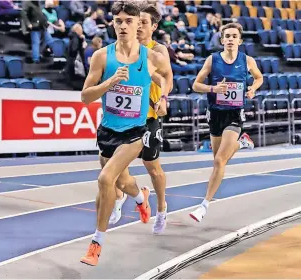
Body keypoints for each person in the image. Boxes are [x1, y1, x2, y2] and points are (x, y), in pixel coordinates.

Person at [80, 1, 172, 266]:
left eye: (128, 21)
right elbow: (85, 97)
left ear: (138, 24)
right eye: (118, 21)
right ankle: (141, 197)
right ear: (112, 23)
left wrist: (163, 97)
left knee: (105, 179)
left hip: (135, 131)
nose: (123, 26)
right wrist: (110, 83)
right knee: (121, 182)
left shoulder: (151, 56)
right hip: (108, 130)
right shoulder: (101, 57)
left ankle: (96, 243)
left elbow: (166, 75)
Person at [108, 3, 173, 235]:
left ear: (154, 27)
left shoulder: (158, 51)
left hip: (149, 117)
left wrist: (163, 99)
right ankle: (122, 196)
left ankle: (162, 209)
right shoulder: (126, 48)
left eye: (144, 23)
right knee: (110, 165)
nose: (138, 27)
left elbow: (166, 78)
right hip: (124, 118)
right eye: (138, 22)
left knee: (152, 168)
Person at [189, 23, 263, 222]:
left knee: (219, 161)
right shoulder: (212, 60)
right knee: (218, 160)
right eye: (227, 36)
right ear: (222, 40)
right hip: (215, 114)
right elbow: (195, 85)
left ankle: (203, 206)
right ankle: (243, 143)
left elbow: (259, 77)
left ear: (239, 40)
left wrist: (253, 88)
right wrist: (213, 89)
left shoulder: (247, 60)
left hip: (234, 114)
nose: (230, 39)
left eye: (233, 36)